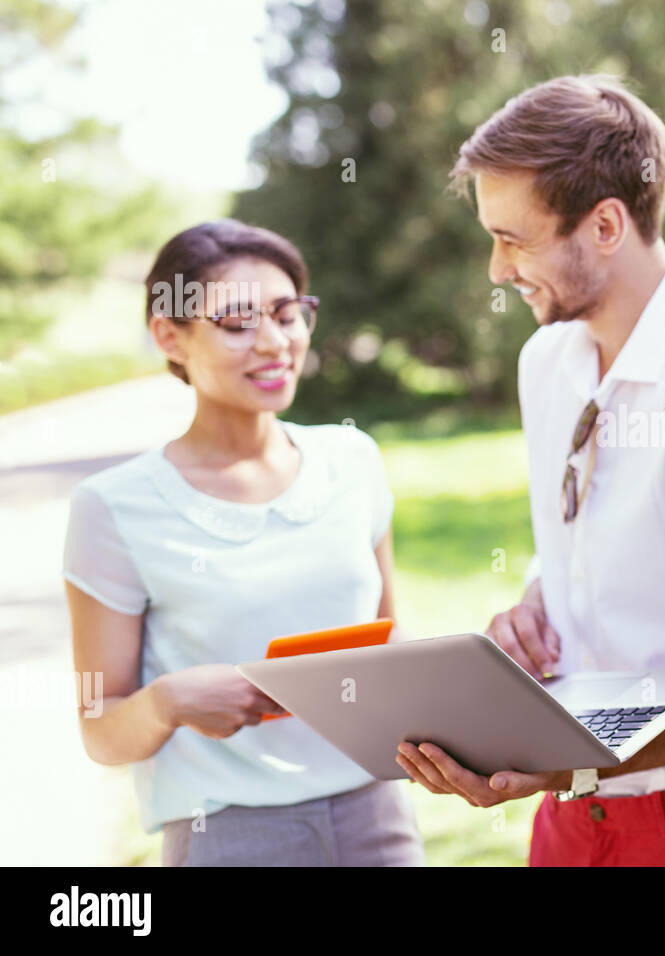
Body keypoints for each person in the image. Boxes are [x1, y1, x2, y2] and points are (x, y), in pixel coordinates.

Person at [395, 74, 665, 866]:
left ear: (608, 224)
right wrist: (540, 603)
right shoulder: (545, 361)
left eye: (513, 237)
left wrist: (560, 764)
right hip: (566, 820)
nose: (494, 267)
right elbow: (604, 540)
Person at [62, 219, 424, 866]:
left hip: (378, 815)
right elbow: (101, 731)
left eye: (289, 315)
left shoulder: (353, 460)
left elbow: (387, 643)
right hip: (227, 836)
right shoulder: (114, 508)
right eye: (236, 324)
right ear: (169, 336)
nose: (275, 343)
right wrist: (168, 701)